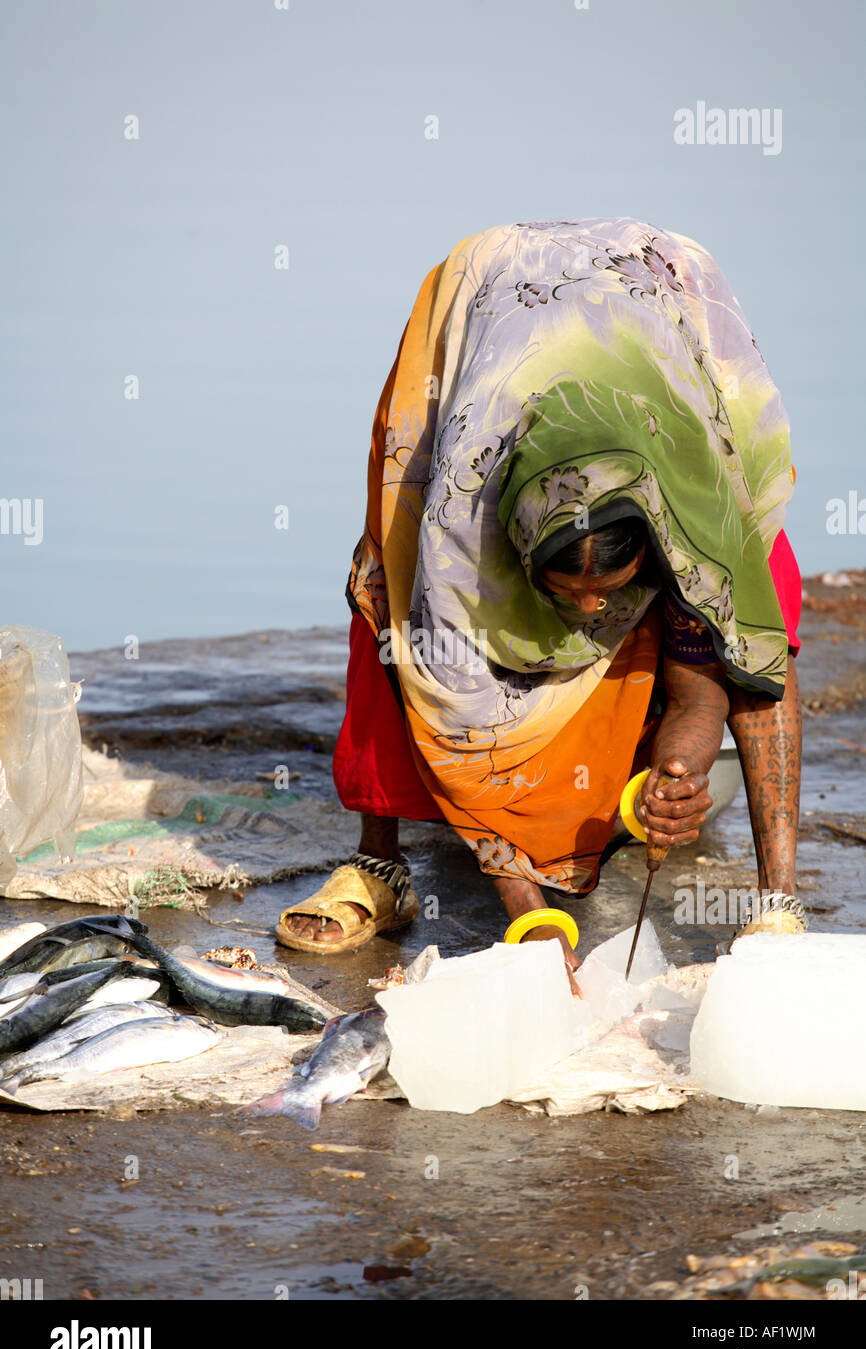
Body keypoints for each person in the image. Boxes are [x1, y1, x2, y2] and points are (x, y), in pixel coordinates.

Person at [276, 217, 805, 985]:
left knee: (759, 613)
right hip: (494, 320)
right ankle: (381, 864)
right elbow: (451, 708)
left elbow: (701, 687)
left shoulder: (695, 515)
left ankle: (778, 904)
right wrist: (529, 912)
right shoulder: (462, 518)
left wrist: (679, 772)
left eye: (610, 593)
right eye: (567, 591)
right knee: (392, 594)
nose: (592, 612)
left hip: (654, 316)